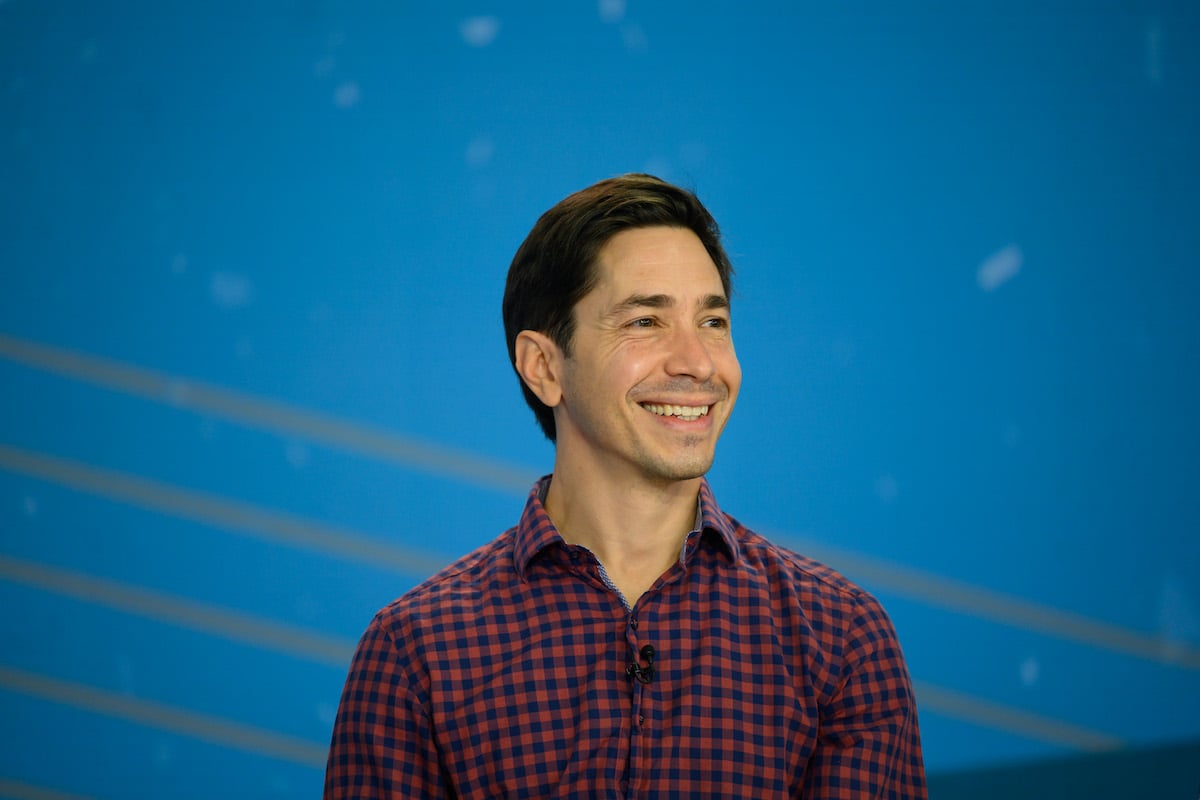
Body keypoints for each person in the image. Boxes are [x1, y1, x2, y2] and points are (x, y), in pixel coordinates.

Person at [324, 174, 927, 798]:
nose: (697, 362)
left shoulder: (839, 638)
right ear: (544, 366)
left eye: (714, 322)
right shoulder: (417, 651)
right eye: (645, 320)